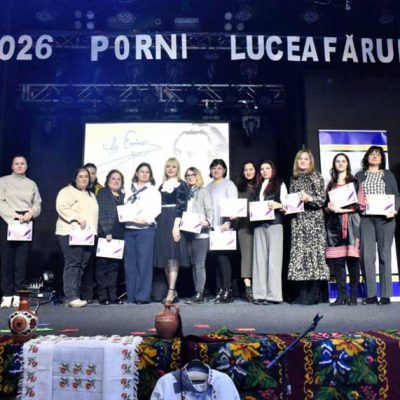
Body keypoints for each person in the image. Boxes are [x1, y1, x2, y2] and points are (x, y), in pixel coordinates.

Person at [355, 146, 400, 306]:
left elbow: (396, 195)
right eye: (372, 154)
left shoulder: (388, 175)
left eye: (378, 154)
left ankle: (386, 295)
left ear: (382, 159)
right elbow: (354, 197)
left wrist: (395, 210)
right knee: (367, 257)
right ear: (367, 157)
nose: (375, 156)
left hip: (385, 219)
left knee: (384, 255)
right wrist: (361, 202)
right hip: (366, 219)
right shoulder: (359, 176)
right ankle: (371, 294)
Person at [287, 149, 330, 305]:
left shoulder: (316, 176)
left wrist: (308, 198)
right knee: (300, 256)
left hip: (313, 222)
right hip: (298, 221)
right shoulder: (294, 178)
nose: (303, 161)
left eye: (306, 159)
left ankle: (313, 295)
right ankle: (301, 294)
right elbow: (291, 200)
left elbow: (321, 200)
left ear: (310, 161)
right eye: (300, 159)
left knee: (313, 256)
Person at [0, 156, 42, 308]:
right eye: (16, 164)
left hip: (26, 222)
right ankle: (7, 294)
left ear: (26, 166)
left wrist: (31, 213)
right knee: (7, 260)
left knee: (21, 261)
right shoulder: (3, 181)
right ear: (12, 166)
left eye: (22, 163)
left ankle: (19, 294)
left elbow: (37, 203)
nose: (19, 166)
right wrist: (14, 216)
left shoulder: (31, 184)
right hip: (8, 221)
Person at [55, 167, 99, 308]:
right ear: (75, 178)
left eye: (86, 176)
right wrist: (76, 217)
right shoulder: (66, 191)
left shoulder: (90, 194)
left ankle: (75, 295)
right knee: (73, 263)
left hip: (87, 234)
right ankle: (71, 297)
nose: (84, 179)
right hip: (70, 232)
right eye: (81, 176)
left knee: (82, 264)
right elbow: (61, 207)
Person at [325, 153, 363, 306]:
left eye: (343, 161)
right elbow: (326, 207)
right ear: (334, 165)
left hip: (352, 224)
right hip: (334, 226)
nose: (340, 163)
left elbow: (360, 205)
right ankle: (341, 296)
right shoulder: (331, 185)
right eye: (337, 161)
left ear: (347, 164)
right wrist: (329, 208)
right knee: (338, 262)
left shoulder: (355, 182)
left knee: (353, 261)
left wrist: (343, 210)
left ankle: (353, 296)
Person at [124, 163, 161, 304]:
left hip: (145, 230)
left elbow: (156, 210)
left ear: (150, 175)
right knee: (130, 265)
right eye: (142, 171)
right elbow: (123, 207)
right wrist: (130, 218)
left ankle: (142, 296)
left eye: (147, 172)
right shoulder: (128, 189)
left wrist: (145, 220)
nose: (144, 174)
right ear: (137, 173)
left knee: (144, 264)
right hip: (129, 229)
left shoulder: (153, 191)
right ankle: (131, 296)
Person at [252, 160, 287, 305]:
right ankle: (260, 294)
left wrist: (278, 205)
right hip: (259, 225)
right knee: (259, 261)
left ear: (272, 169)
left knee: (274, 260)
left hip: (275, 224)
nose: (264, 171)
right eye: (262, 169)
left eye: (267, 168)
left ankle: (274, 296)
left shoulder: (280, 183)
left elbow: (287, 205)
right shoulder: (257, 186)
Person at [154, 158, 188, 304]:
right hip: (162, 221)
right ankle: (172, 290)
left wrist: (176, 226)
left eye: (173, 167)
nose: (170, 169)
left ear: (177, 169)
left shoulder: (181, 185)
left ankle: (171, 290)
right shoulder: (161, 186)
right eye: (168, 166)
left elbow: (182, 207)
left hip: (174, 220)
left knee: (173, 257)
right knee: (166, 258)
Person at [207, 159, 238, 303]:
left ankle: (227, 290)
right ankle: (219, 290)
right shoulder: (207, 186)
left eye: (219, 168)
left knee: (223, 257)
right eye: (214, 168)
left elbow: (233, 205)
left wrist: (228, 223)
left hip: (224, 225)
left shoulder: (229, 184)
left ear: (224, 170)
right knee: (215, 259)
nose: (216, 170)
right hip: (211, 226)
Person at [183, 167, 213, 304]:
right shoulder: (186, 192)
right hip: (188, 232)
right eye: (188, 175)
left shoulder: (203, 191)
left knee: (200, 264)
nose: (190, 177)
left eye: (193, 174)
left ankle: (199, 293)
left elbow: (209, 209)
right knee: (194, 265)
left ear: (198, 176)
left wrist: (208, 221)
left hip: (201, 233)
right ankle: (197, 292)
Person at [95, 169, 125, 305]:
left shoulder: (123, 196)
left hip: (119, 235)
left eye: (119, 179)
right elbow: (101, 213)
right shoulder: (103, 193)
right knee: (102, 267)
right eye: (113, 178)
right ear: (108, 181)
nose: (116, 181)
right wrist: (107, 232)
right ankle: (102, 296)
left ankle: (113, 295)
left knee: (114, 267)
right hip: (105, 234)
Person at [81, 162, 103, 302]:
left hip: (99, 231)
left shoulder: (102, 190)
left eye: (93, 173)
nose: (90, 176)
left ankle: (98, 293)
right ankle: (86, 294)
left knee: (97, 264)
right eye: (87, 173)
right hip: (82, 230)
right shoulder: (76, 189)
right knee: (85, 263)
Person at [236, 161, 258, 303]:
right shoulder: (239, 188)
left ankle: (259, 288)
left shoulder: (262, 186)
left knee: (259, 257)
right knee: (246, 257)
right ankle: (248, 289)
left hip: (261, 225)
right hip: (244, 226)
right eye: (245, 170)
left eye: (251, 169)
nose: (248, 172)